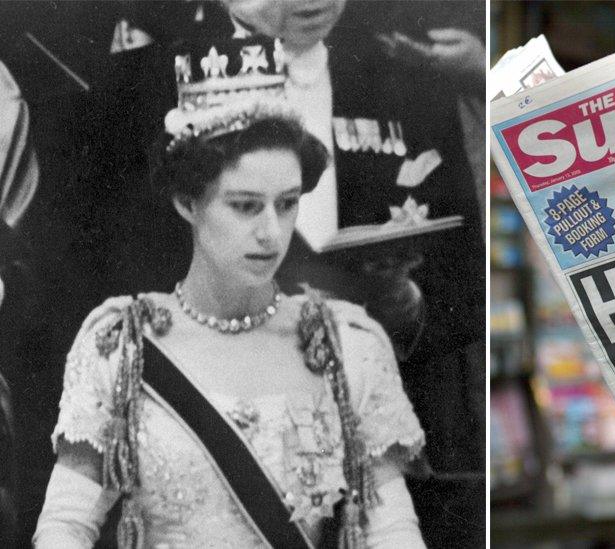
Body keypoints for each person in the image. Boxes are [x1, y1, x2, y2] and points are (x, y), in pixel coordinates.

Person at [32, 98, 426, 547]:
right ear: (187, 202)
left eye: (287, 204)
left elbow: (392, 532)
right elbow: (64, 528)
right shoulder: (123, 344)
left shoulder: (344, 344)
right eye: (244, 206)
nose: (272, 233)